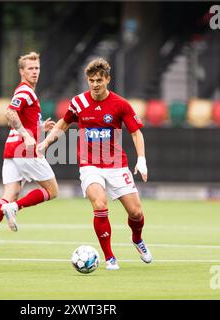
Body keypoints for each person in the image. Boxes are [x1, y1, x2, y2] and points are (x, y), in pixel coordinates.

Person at [37, 58, 152, 270]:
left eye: (99, 79)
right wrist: (46, 141)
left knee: (136, 213)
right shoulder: (79, 102)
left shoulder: (121, 104)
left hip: (116, 165)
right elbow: (63, 123)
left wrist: (142, 159)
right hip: (89, 165)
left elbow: (136, 133)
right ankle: (110, 258)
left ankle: (137, 239)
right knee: (99, 204)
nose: (95, 84)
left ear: (108, 79)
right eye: (91, 80)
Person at [0, 52, 58, 255]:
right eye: (30, 68)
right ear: (21, 71)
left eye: (37, 68)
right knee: (52, 191)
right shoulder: (25, 91)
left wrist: (39, 127)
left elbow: (18, 117)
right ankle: (15, 208)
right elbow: (9, 113)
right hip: (24, 150)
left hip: (11, 150)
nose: (35, 72)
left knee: (9, 194)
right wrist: (27, 135)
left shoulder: (25, 91)